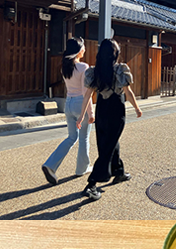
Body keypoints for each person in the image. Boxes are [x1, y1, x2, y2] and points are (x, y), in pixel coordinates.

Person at [76, 38, 142, 200]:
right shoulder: (121, 70)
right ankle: (91, 184)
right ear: (116, 54)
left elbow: (87, 96)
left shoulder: (95, 71)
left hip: (102, 110)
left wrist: (81, 115)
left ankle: (118, 172)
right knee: (109, 146)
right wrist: (136, 108)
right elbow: (128, 92)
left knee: (109, 142)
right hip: (116, 111)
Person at [42, 37, 95, 185]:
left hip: (69, 103)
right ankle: (81, 168)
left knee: (71, 137)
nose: (84, 49)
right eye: (83, 47)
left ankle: (50, 165)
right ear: (79, 51)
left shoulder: (64, 67)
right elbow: (86, 93)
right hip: (80, 104)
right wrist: (90, 113)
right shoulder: (83, 67)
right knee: (84, 137)